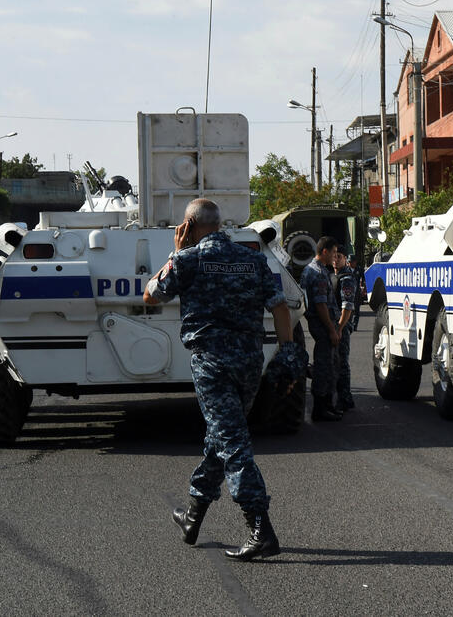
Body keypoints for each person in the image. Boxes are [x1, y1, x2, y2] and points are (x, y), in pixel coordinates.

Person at [143, 198, 296, 562]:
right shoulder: (252, 259)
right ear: (220, 224)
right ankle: (193, 517)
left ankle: (261, 529)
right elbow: (280, 307)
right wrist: (288, 354)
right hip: (249, 362)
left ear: (188, 226)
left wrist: (175, 253)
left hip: (212, 364)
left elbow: (150, 296)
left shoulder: (188, 260)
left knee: (233, 444)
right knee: (222, 437)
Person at [299, 236, 342, 421]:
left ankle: (327, 405)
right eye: (333, 252)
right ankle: (320, 409)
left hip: (323, 325)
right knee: (324, 367)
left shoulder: (313, 269)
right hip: (323, 326)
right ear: (324, 251)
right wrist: (332, 329)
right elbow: (321, 305)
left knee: (330, 365)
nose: (335, 256)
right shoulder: (317, 273)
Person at [332, 251, 357, 411]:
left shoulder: (346, 278)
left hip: (341, 326)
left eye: (339, 257)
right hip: (333, 326)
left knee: (342, 363)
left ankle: (345, 398)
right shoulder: (333, 275)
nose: (335, 260)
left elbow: (347, 306)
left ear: (345, 259)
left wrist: (340, 328)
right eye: (334, 256)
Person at [347, 254, 365, 331]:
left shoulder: (359, 269)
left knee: (356, 310)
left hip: (356, 292)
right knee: (348, 308)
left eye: (352, 262)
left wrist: (364, 289)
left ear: (355, 262)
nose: (350, 263)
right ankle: (348, 324)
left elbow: (364, 279)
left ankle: (355, 325)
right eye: (349, 262)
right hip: (347, 292)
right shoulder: (345, 269)